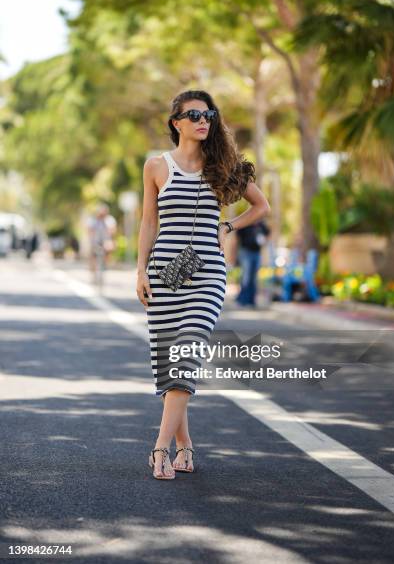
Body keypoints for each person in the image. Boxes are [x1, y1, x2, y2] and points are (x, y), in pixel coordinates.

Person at [136, 89, 271, 480]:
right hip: (165, 274)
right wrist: (141, 271)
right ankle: (186, 446)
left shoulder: (223, 165)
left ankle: (159, 450)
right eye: (193, 114)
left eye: (208, 114)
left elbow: (261, 206)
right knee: (168, 366)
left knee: (186, 352)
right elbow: (149, 222)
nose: (203, 120)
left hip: (208, 275)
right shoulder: (156, 167)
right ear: (175, 122)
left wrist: (227, 225)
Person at [235, 219, 271, 307]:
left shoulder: (261, 225)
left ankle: (251, 300)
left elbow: (268, 233)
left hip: (256, 253)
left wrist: (263, 240)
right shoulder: (246, 223)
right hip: (246, 251)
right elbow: (238, 235)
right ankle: (243, 299)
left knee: (254, 277)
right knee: (246, 276)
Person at [87, 204, 117, 281]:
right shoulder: (93, 220)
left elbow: (113, 231)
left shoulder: (110, 220)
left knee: (109, 246)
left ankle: (105, 263)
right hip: (95, 241)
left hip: (106, 240)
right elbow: (89, 231)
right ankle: (93, 272)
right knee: (92, 254)